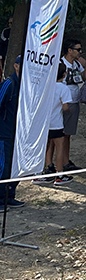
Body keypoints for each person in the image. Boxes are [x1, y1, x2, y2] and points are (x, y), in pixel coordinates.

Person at [33, 64, 73, 185]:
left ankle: (46, 168)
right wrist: (69, 110)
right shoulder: (63, 88)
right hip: (56, 122)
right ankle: (59, 174)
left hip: (44, 122)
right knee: (59, 147)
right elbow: (65, 107)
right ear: (64, 74)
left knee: (46, 146)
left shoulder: (45, 86)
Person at [61, 39, 86, 171]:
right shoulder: (61, 64)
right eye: (77, 49)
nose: (80, 52)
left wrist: (85, 66)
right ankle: (62, 162)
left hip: (74, 100)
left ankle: (65, 159)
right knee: (61, 134)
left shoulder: (77, 63)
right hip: (64, 102)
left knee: (68, 134)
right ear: (69, 50)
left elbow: (84, 78)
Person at [0, 56, 23, 207]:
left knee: (17, 166)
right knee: (4, 166)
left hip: (20, 134)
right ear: (16, 66)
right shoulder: (9, 84)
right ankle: (0, 198)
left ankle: (10, 194)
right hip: (5, 133)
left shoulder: (27, 85)